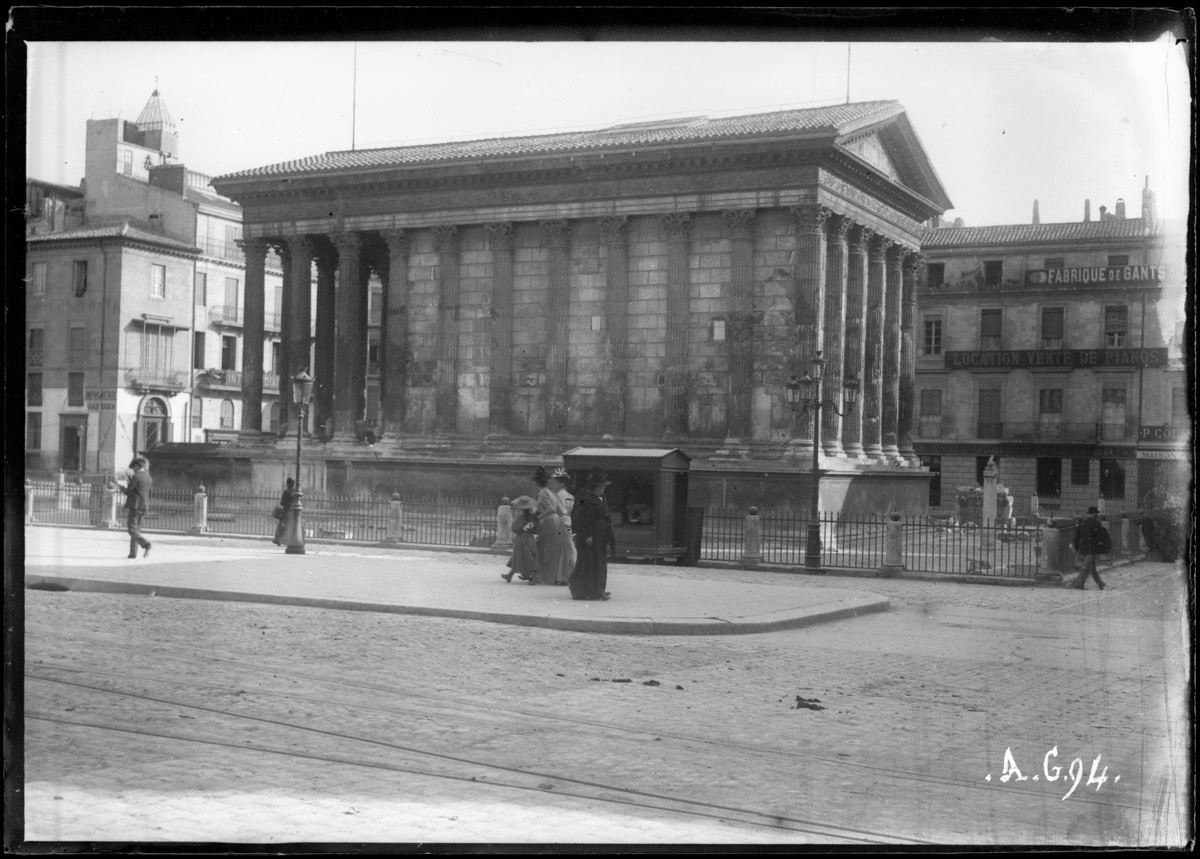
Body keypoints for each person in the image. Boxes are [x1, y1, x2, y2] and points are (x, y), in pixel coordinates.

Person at [569, 468, 617, 601]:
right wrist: (588, 535)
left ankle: (597, 589)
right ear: (596, 488)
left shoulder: (595, 499)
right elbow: (585, 520)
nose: (603, 490)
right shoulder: (588, 500)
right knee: (592, 563)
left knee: (597, 562)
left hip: (599, 535)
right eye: (602, 487)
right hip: (593, 536)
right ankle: (591, 590)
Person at [532, 466, 574, 586]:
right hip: (558, 521)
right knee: (552, 550)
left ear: (537, 483)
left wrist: (537, 518)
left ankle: (538, 575)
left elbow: (550, 509)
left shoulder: (544, 493)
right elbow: (560, 510)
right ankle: (551, 575)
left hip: (549, 521)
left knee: (540, 547)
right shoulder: (553, 492)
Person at [120, 456, 153, 559]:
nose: (133, 470)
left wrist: (122, 488)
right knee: (136, 531)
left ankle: (146, 544)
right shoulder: (149, 478)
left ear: (137, 466)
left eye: (133, 468)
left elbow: (128, 491)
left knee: (131, 530)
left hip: (135, 506)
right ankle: (133, 553)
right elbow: (150, 494)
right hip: (144, 506)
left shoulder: (136, 477)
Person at [1072, 506, 1111, 590]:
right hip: (1092, 548)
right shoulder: (1096, 523)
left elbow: (1077, 537)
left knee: (1092, 568)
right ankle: (1078, 584)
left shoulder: (1082, 523)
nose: (1097, 514)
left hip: (1083, 548)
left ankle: (1100, 583)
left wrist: (1076, 548)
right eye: (1096, 513)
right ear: (1094, 514)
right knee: (1086, 566)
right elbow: (1101, 535)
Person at [502, 496, 539, 583]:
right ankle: (510, 575)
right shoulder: (533, 517)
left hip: (521, 539)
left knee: (520, 556)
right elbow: (537, 529)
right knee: (526, 556)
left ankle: (535, 576)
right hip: (530, 538)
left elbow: (515, 529)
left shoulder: (521, 518)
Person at [273, 477, 297, 546]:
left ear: (288, 484)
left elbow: (282, 503)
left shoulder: (286, 492)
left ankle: (278, 539)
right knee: (292, 527)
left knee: (282, 526)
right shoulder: (296, 492)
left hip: (287, 512)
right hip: (294, 512)